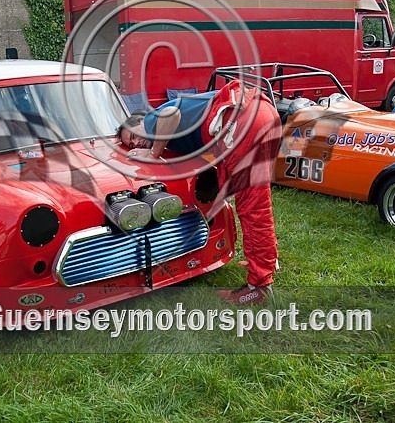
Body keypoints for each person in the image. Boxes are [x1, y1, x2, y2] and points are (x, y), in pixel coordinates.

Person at [118, 80, 282, 305]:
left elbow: (170, 114)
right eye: (131, 143)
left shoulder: (151, 118)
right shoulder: (176, 126)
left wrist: (154, 154)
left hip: (240, 119)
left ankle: (259, 287)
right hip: (260, 112)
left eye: (133, 135)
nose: (136, 142)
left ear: (139, 121)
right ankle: (264, 268)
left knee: (253, 208)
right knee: (257, 204)